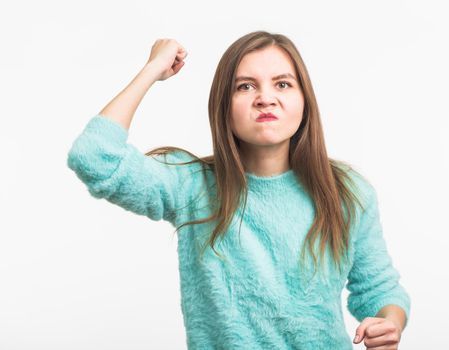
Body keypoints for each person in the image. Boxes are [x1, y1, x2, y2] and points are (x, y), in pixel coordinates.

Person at [67, 31, 411, 350]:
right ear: (223, 106)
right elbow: (94, 158)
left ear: (304, 100)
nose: (265, 99)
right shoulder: (191, 185)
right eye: (245, 87)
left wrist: (389, 324)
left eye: (283, 84)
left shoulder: (347, 192)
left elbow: (380, 291)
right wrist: (152, 69)